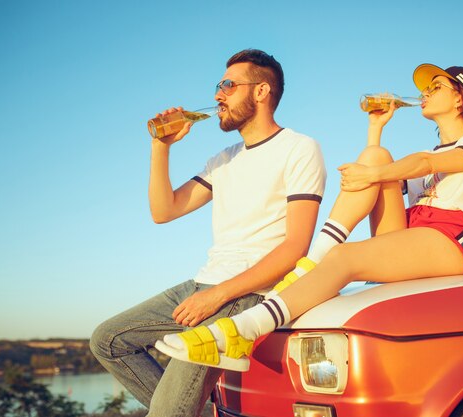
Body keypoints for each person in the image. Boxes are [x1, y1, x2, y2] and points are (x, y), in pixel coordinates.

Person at [155, 63, 463, 372]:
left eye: (436, 87)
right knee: (376, 153)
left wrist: (372, 175)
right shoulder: (413, 161)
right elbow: (382, 180)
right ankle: (313, 264)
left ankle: (247, 328)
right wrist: (376, 129)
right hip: (411, 237)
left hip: (451, 242)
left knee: (345, 251)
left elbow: (427, 163)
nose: (425, 93)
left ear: (460, 100)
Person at [89, 49, 326, 417]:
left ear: (261, 92)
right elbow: (163, 211)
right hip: (203, 284)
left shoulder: (299, 148)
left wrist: (217, 297)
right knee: (108, 341)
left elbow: (295, 248)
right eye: (218, 86)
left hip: (246, 294)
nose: (218, 94)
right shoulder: (224, 158)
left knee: (168, 412)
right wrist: (160, 147)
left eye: (229, 85)